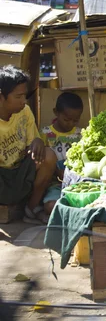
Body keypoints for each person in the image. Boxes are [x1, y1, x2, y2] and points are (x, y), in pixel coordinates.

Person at [0, 66, 57, 224]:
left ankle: (31, 209)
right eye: (18, 96)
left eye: (24, 95)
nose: (24, 101)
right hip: (2, 180)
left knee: (49, 155)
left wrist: (37, 141)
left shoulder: (24, 111)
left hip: (20, 172)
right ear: (1, 97)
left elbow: (33, 142)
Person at [39, 92, 84, 216]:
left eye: (75, 120)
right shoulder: (45, 133)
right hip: (54, 184)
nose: (70, 123)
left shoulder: (81, 134)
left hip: (76, 183)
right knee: (50, 207)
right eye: (66, 119)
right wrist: (56, 171)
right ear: (56, 112)